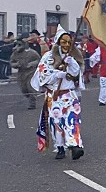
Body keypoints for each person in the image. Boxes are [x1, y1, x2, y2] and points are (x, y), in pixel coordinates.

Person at [31, 29, 85, 160]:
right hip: (54, 96)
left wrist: (71, 63)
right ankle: (60, 147)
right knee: (57, 122)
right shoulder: (48, 56)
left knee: (73, 120)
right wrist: (57, 74)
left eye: (68, 42)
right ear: (58, 42)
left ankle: (75, 146)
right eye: (63, 42)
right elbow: (43, 74)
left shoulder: (73, 56)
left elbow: (77, 73)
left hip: (69, 95)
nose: (66, 45)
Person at [11, 37, 41, 110]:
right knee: (24, 89)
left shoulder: (32, 53)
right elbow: (12, 62)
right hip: (21, 73)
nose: (17, 47)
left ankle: (32, 103)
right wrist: (16, 64)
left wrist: (32, 63)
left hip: (31, 72)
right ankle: (30, 96)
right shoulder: (15, 54)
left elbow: (39, 60)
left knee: (30, 88)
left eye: (19, 45)